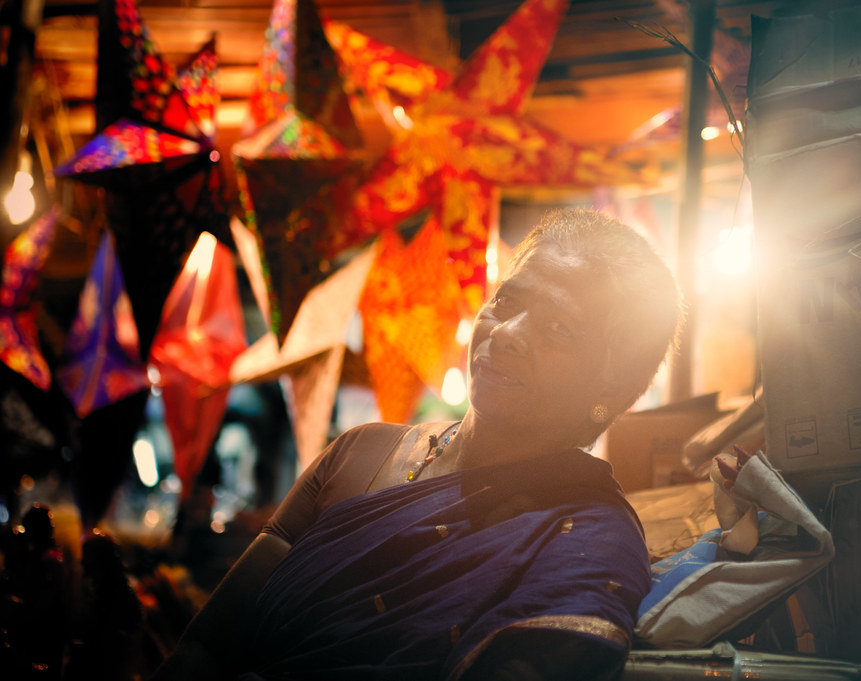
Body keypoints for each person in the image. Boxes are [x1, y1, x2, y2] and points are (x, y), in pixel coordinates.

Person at [151, 208, 684, 681]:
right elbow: (204, 648)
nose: (506, 332)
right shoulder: (358, 455)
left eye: (558, 327)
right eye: (506, 299)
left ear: (612, 387)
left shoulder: (589, 539)